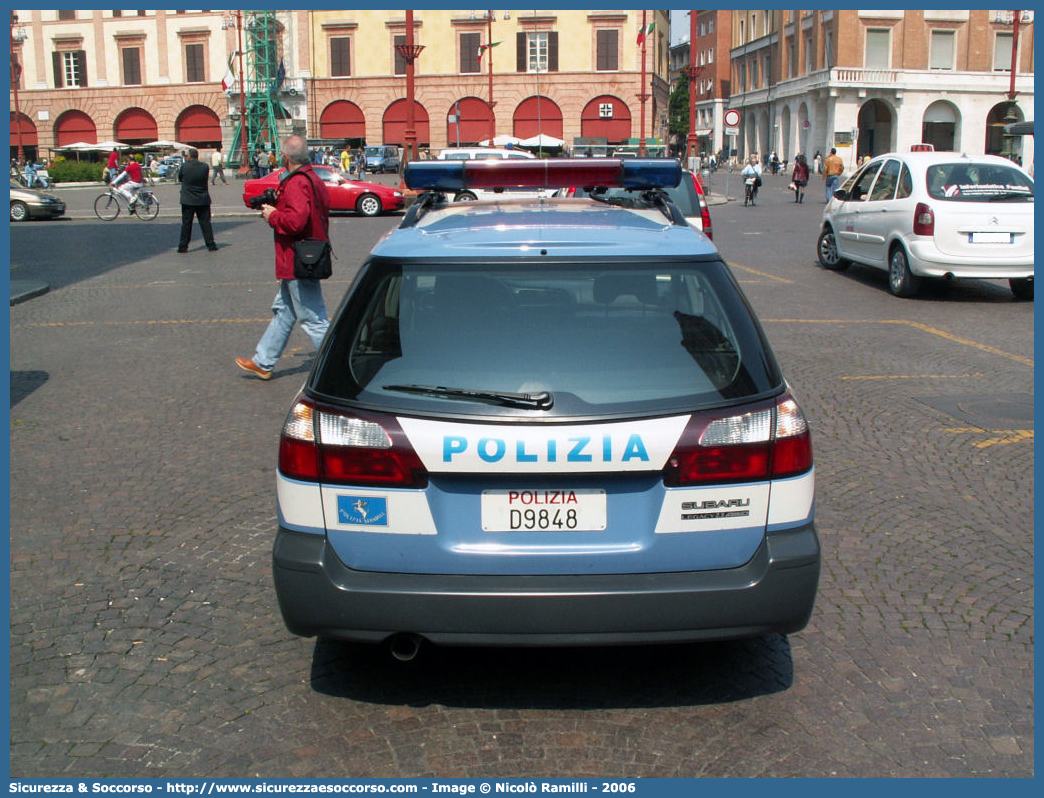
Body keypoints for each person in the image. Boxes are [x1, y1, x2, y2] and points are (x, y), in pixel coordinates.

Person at [236, 135, 331, 380]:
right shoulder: (314, 179)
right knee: (284, 311)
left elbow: (295, 222)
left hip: (297, 259)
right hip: (307, 255)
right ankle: (263, 361)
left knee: (313, 318)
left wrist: (273, 215)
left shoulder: (297, 182)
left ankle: (339, 364)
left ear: (285, 157)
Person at [177, 148, 218, 253]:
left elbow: (180, 178)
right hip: (202, 198)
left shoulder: (184, 167)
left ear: (189, 156)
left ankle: (183, 246)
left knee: (186, 224)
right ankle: (211, 244)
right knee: (205, 223)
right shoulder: (204, 167)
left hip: (188, 199)